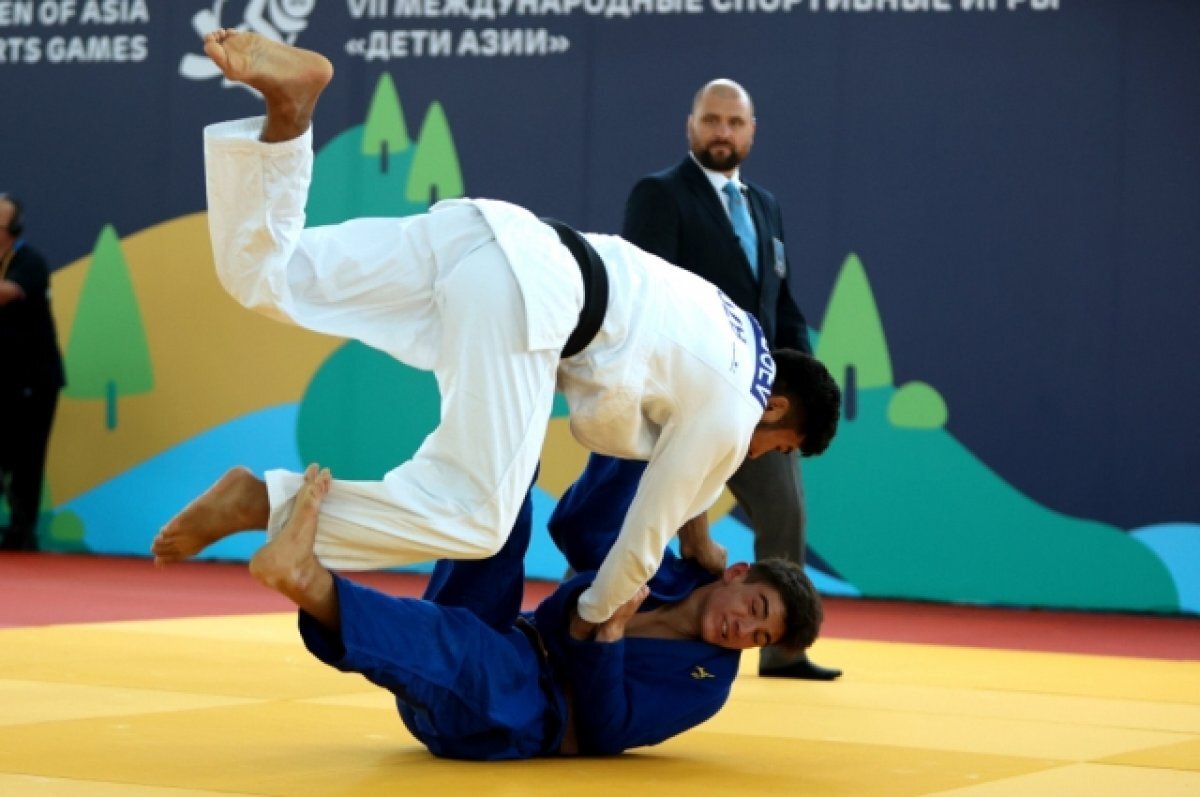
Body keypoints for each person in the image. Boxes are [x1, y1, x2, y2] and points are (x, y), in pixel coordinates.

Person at [151, 31, 840, 636]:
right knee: (478, 517)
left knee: (269, 277)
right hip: (529, 302)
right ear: (776, 407)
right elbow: (643, 534)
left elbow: (659, 447)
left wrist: (701, 534)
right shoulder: (736, 408)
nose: (760, 451)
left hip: (489, 233)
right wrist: (593, 617)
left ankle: (289, 113)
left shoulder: (734, 325)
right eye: (776, 444)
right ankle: (266, 501)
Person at [551, 80, 842, 680]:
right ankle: (578, 611)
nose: (722, 132)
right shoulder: (661, 195)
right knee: (617, 510)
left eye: (734, 122)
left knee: (784, 507)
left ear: (751, 131)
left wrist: (802, 386)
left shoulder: (764, 205)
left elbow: (781, 302)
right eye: (712, 120)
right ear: (691, 126)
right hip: (674, 387)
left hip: (762, 398)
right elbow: (645, 283)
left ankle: (782, 647)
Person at [247, 463, 823, 759]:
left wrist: (610, 640)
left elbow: (606, 732)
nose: (742, 630)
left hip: (514, 716)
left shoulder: (706, 685)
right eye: (755, 609)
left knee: (461, 645)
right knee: (495, 519)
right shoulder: (669, 569)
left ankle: (307, 582)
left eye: (756, 637)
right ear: (739, 573)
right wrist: (671, 473)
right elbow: (584, 526)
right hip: (513, 642)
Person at [0, 194, 66, 552]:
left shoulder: (30, 262)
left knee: (27, 457)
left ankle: (21, 533)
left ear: (11, 230)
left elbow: (7, 292)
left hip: (33, 380)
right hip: (2, 380)